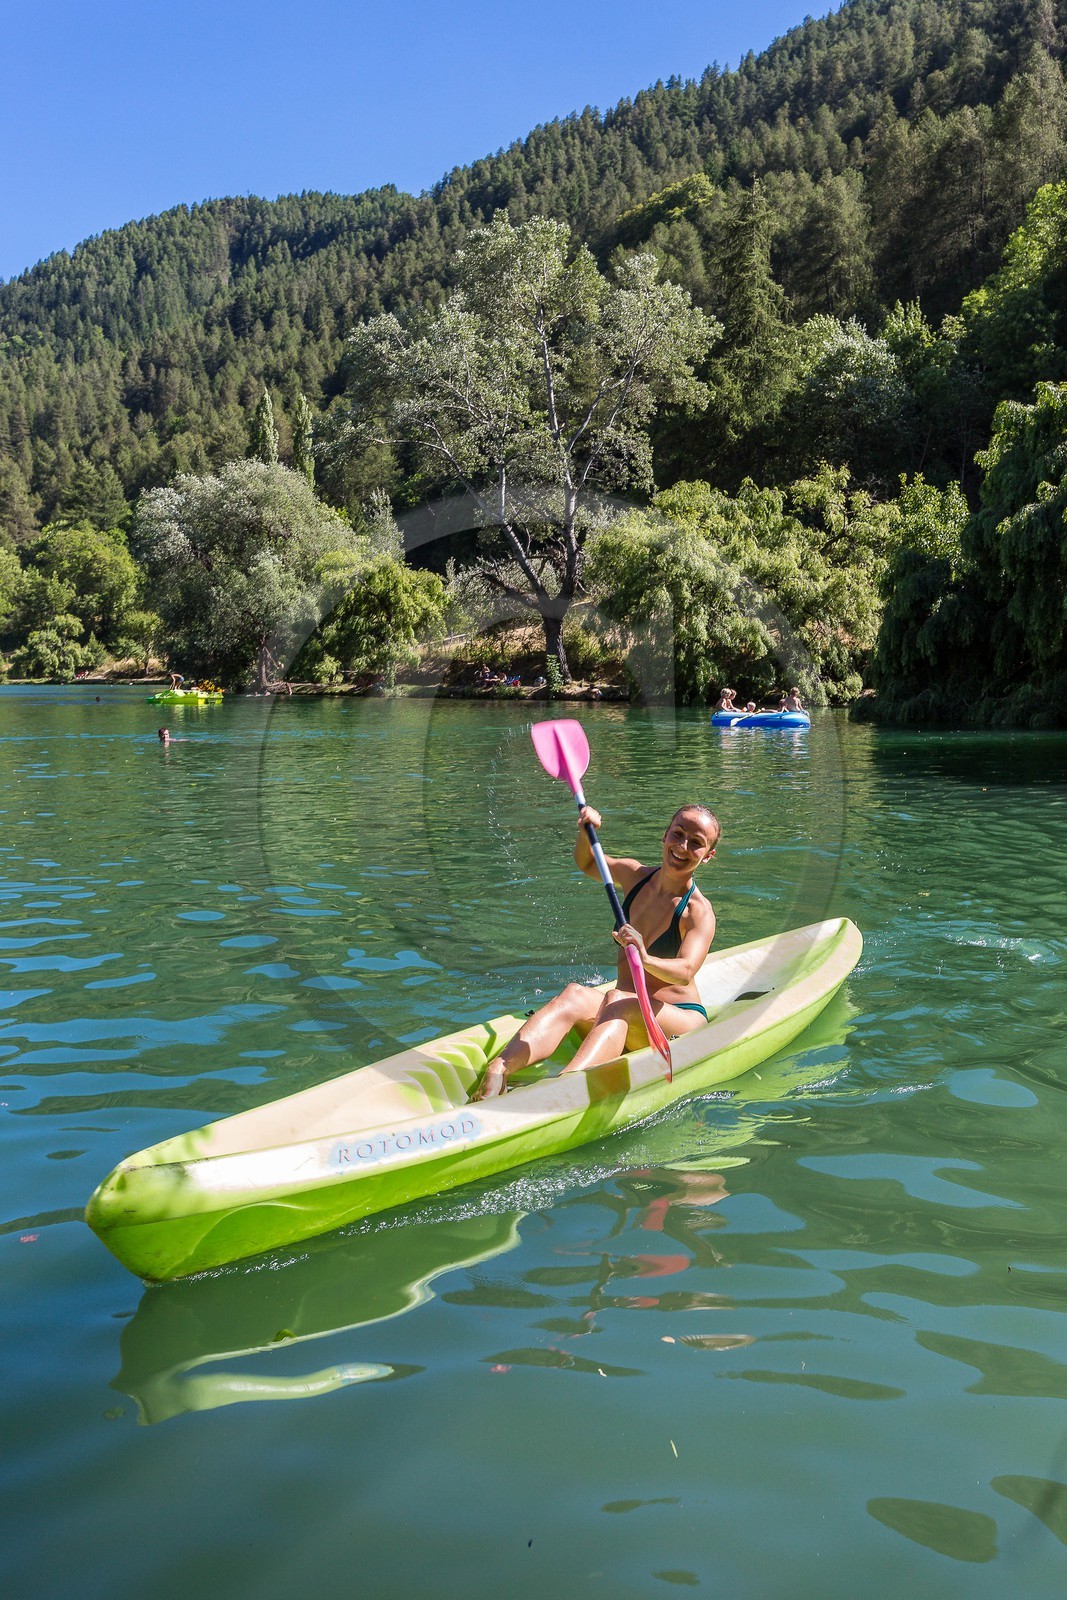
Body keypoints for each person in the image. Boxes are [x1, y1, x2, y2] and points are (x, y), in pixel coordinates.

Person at [472, 803, 720, 1100]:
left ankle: (562, 1088)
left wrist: (645, 957)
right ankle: (498, 1072)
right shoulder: (635, 876)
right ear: (665, 834)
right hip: (621, 1016)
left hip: (675, 1023)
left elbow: (686, 971)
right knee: (575, 993)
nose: (682, 846)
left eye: (696, 843)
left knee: (618, 1000)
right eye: (678, 834)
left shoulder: (697, 912)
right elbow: (589, 863)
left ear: (708, 856)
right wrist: (584, 830)